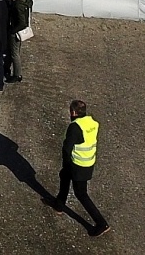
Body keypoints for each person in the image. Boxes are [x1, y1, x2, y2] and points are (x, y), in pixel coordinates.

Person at [52, 99, 111, 236]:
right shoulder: (92, 123)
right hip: (88, 163)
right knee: (64, 177)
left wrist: (66, 163)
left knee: (81, 194)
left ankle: (101, 223)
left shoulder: (75, 127)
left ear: (73, 112)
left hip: (77, 164)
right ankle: (59, 205)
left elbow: (67, 148)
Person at [6, 0, 33, 83]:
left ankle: (17, 74)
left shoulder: (17, 5)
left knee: (14, 53)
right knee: (12, 51)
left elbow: (22, 23)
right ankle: (7, 67)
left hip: (16, 31)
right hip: (20, 30)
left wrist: (12, 31)